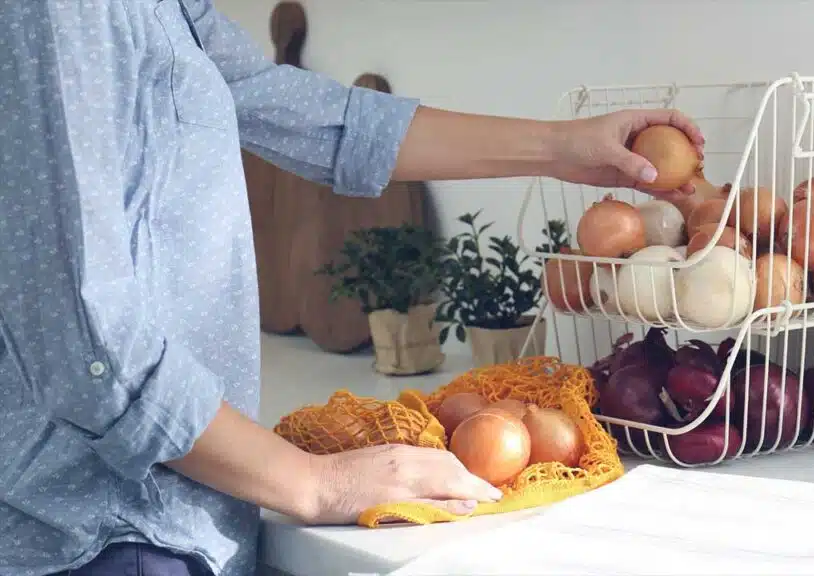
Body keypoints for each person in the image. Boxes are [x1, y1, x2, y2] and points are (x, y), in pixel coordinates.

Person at [0, 2, 704, 576]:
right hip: (101, 535)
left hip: (179, 519)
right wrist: (317, 482)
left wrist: (563, 147)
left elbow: (311, 117)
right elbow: (87, 346)